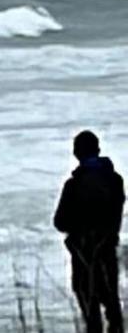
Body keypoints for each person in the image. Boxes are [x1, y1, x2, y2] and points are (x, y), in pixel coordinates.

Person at [55, 130, 125, 333]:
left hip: (82, 253)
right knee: (112, 303)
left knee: (89, 306)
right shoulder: (115, 181)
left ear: (76, 153)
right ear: (98, 150)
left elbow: (60, 222)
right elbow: (116, 213)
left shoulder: (73, 185)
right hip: (108, 249)